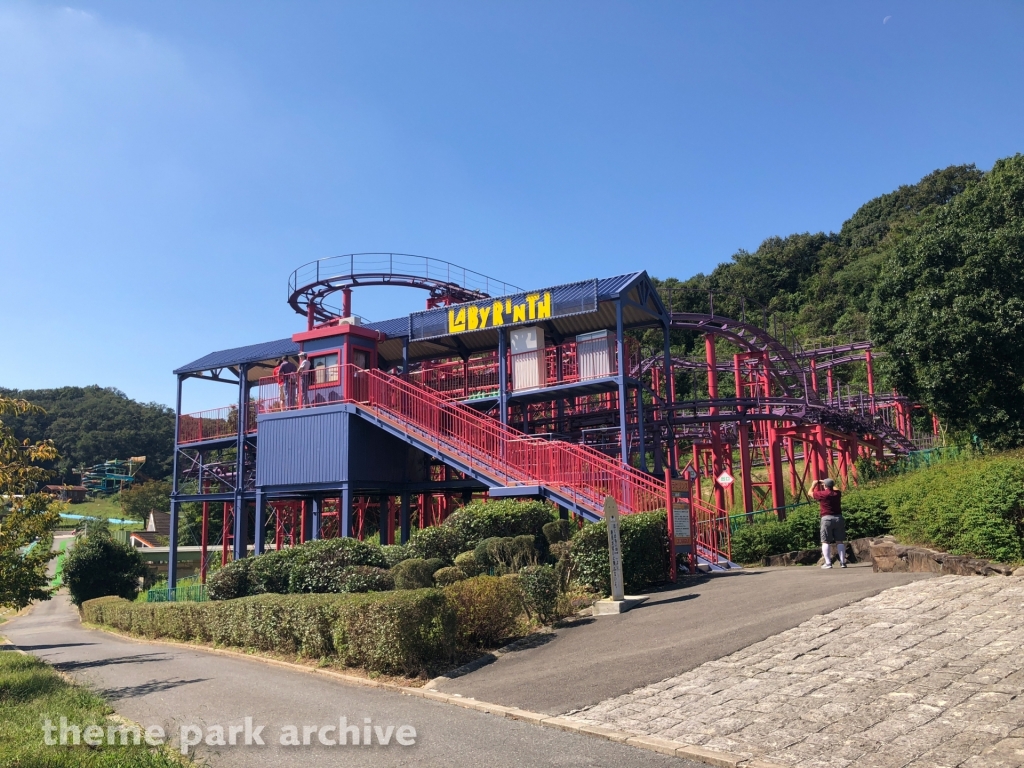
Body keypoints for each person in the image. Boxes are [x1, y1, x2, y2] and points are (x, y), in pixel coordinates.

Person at [811, 478, 847, 569]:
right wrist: (828, 483)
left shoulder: (823, 494)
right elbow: (836, 489)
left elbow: (809, 493)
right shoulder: (837, 493)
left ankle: (828, 563)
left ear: (825, 486)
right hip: (838, 518)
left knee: (825, 541)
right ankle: (843, 562)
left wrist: (813, 485)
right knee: (840, 541)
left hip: (826, 519)